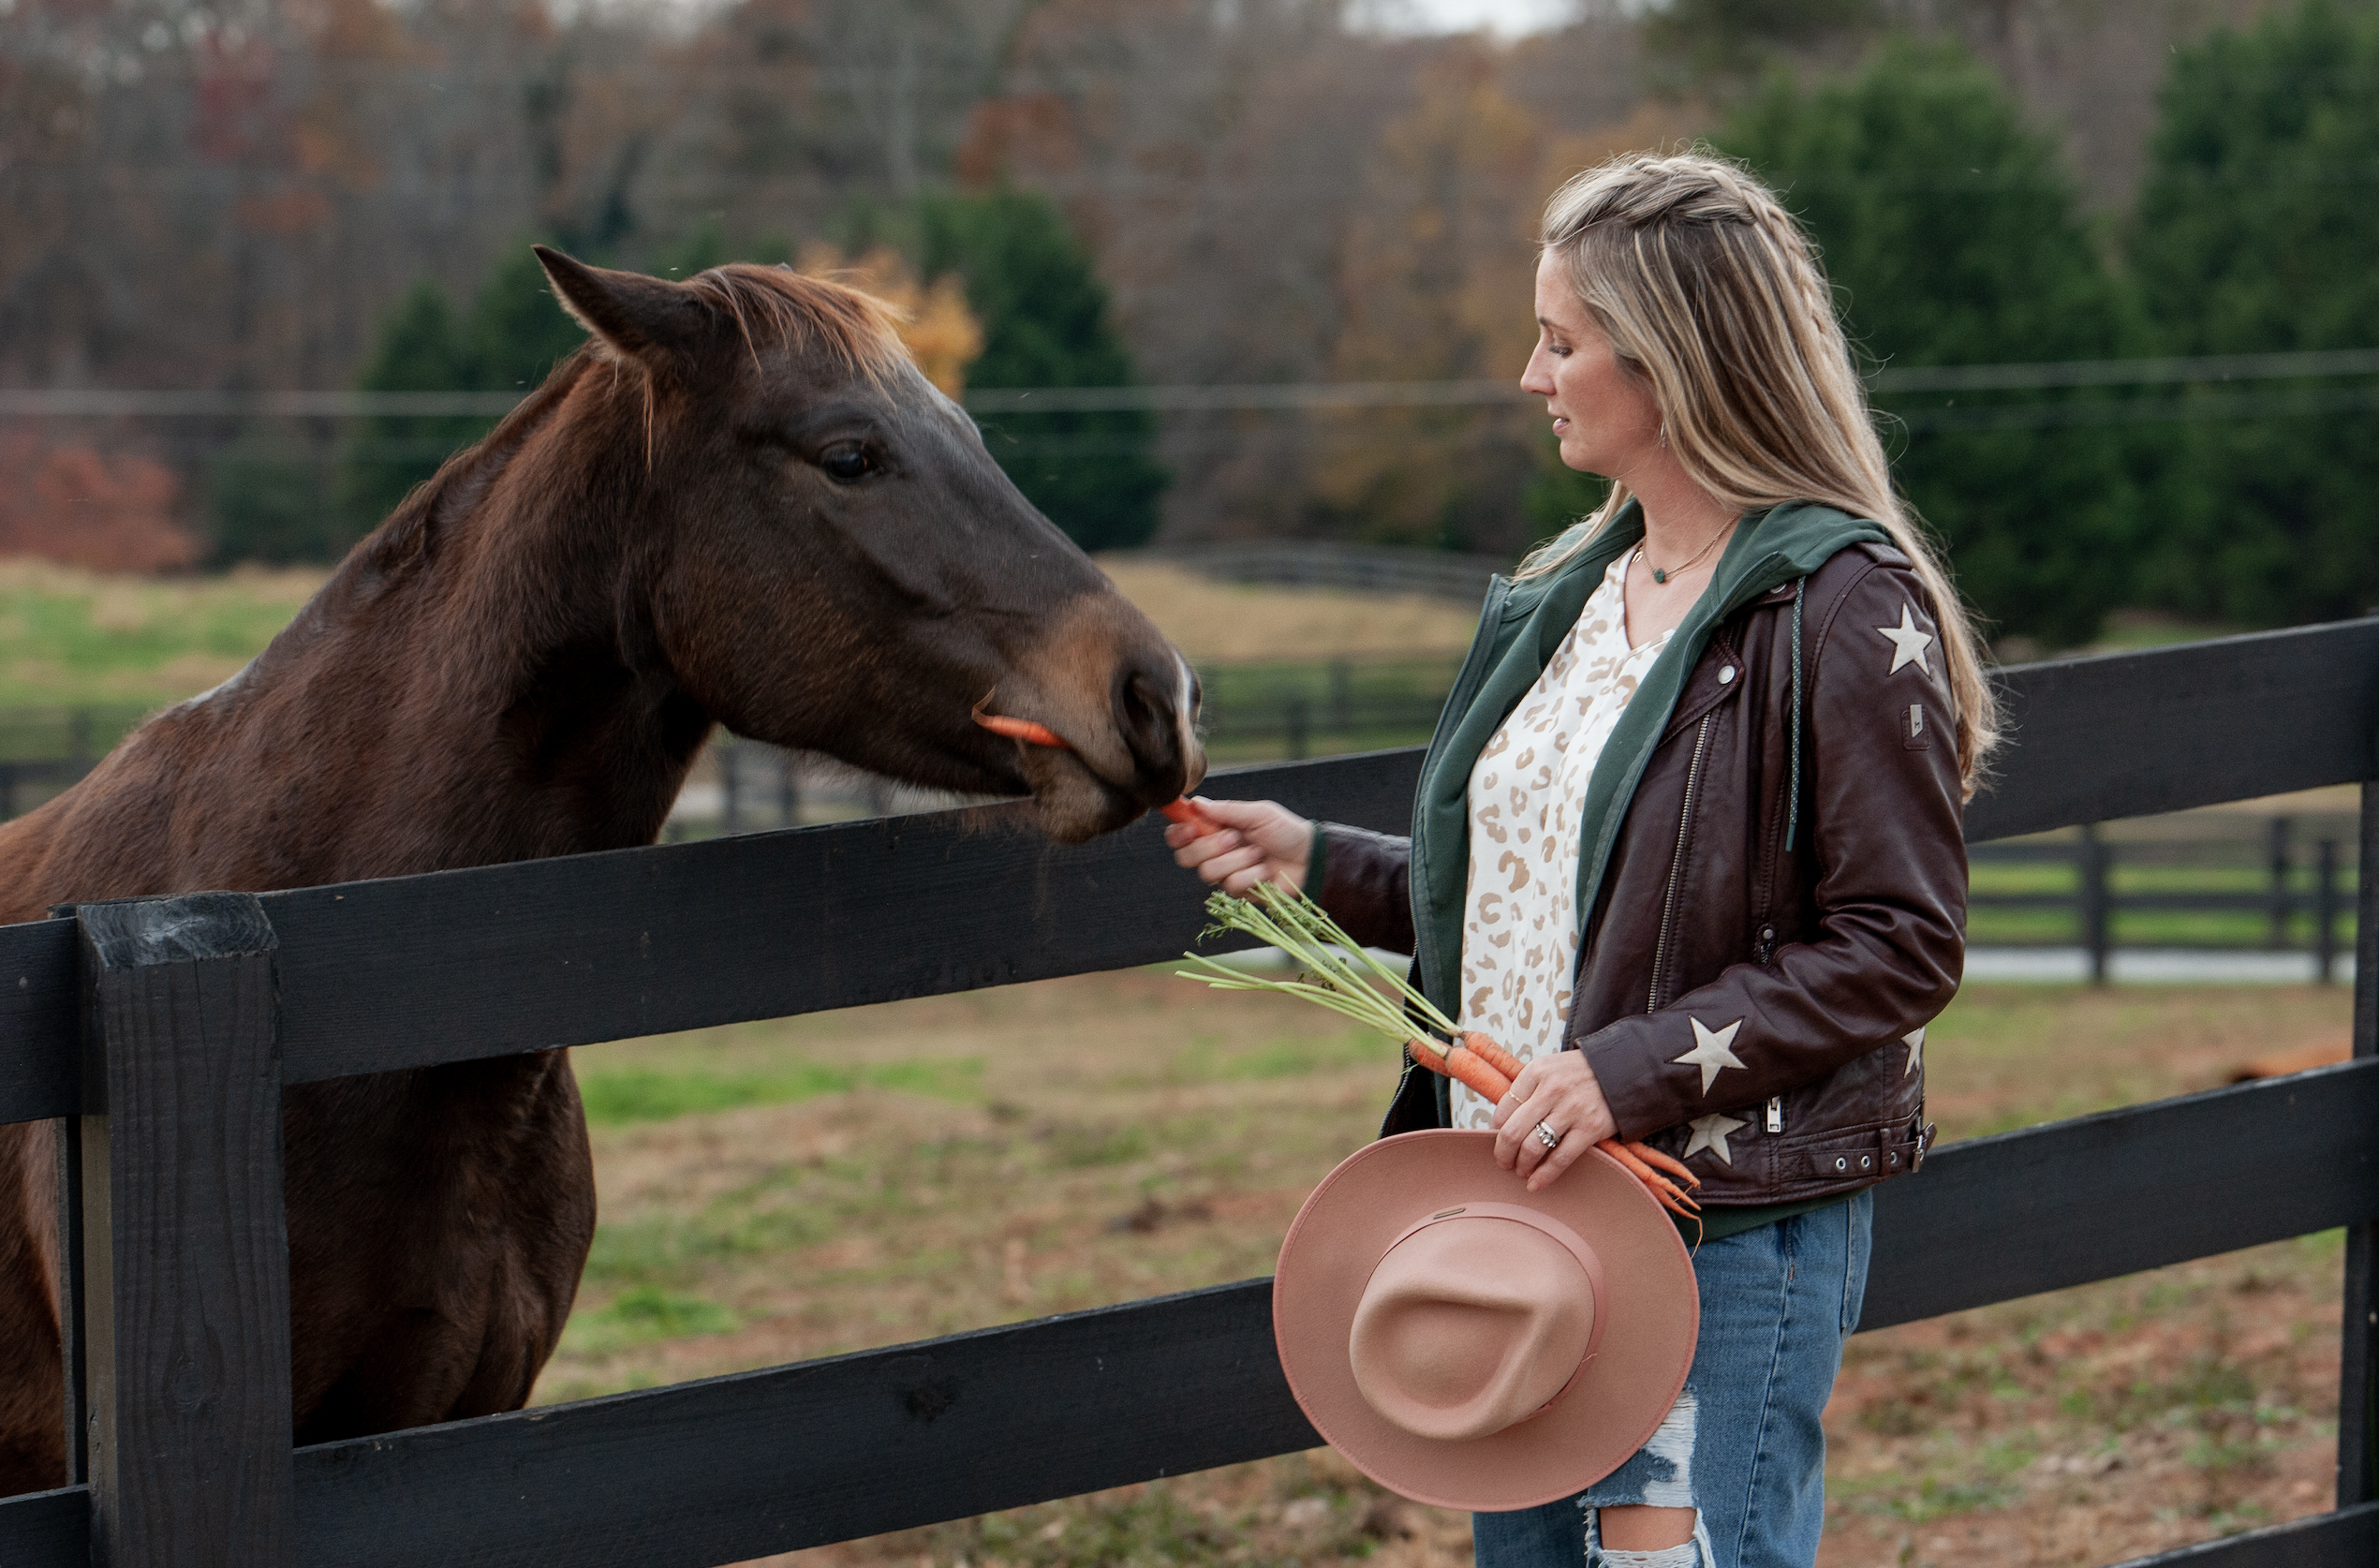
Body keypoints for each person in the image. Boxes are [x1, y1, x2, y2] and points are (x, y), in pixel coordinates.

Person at [1169, 151, 1990, 1568]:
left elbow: (1901, 946)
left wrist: (1630, 1070)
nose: (1529, 373)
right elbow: (1546, 891)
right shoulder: (1568, 593)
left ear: (1670, 364)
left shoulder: (1841, 610)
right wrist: (1320, 861)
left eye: (1561, 341)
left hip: (1719, 1231)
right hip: (1523, 1209)